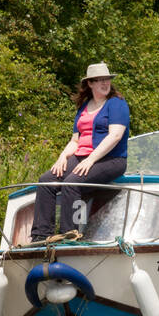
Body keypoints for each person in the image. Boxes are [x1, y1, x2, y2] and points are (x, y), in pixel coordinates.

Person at [30, 63, 131, 241]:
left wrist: (91, 159)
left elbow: (115, 136)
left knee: (72, 183)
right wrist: (63, 156)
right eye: (99, 80)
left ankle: (69, 235)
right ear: (90, 84)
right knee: (46, 181)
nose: (104, 83)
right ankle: (40, 236)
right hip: (82, 157)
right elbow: (75, 140)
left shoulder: (117, 104)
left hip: (111, 159)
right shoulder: (84, 107)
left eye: (106, 79)